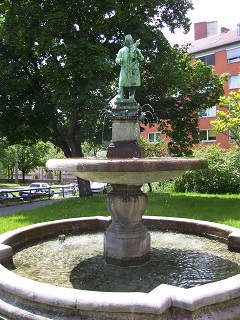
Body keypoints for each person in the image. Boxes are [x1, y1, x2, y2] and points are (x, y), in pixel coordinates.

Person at [115, 34, 144, 100]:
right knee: (122, 82)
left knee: (133, 82)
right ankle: (120, 94)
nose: (130, 41)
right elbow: (117, 59)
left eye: (131, 40)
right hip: (125, 68)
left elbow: (142, 58)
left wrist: (138, 53)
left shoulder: (135, 49)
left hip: (133, 68)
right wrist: (120, 60)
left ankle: (131, 96)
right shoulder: (122, 50)